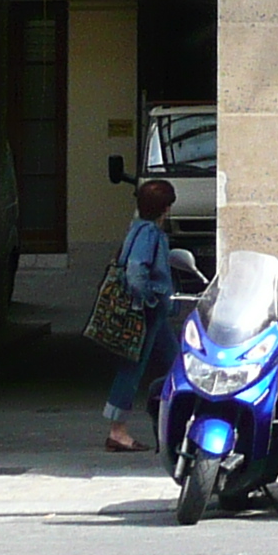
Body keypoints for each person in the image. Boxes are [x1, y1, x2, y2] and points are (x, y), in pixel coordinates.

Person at [103, 179, 181, 453]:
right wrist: (149, 298)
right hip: (147, 311)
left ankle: (178, 420)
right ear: (166, 208)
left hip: (154, 313)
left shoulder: (137, 228)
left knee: (177, 364)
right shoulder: (149, 234)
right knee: (132, 369)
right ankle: (117, 430)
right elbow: (136, 272)